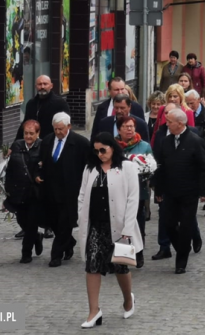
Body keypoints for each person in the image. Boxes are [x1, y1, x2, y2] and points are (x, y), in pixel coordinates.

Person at [78, 132, 142, 328]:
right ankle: (93, 312)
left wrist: (128, 228)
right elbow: (82, 195)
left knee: (120, 267)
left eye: (103, 150)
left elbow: (133, 199)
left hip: (119, 226)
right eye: (96, 151)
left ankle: (128, 299)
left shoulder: (127, 168)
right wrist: (81, 218)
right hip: (96, 225)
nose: (100, 154)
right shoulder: (90, 169)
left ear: (112, 147)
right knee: (92, 265)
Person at [152, 110, 205, 274]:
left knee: (186, 225)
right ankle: (182, 247)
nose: (167, 124)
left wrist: (204, 191)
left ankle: (181, 261)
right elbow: (160, 167)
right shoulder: (166, 141)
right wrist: (158, 189)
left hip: (189, 192)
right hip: (170, 191)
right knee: (169, 224)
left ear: (180, 123)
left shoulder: (194, 141)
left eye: (169, 121)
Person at [38, 112, 91, 268]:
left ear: (69, 126)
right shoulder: (47, 141)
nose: (58, 132)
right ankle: (69, 242)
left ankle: (56, 255)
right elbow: (40, 162)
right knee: (53, 222)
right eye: (55, 129)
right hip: (50, 191)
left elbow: (87, 167)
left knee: (64, 224)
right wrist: (38, 175)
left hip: (70, 191)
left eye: (61, 129)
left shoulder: (80, 143)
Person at [116, 116, 153, 268]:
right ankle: (122, 256)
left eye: (132, 126)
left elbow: (151, 167)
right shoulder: (113, 145)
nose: (130, 129)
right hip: (118, 191)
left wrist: (142, 167)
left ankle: (139, 253)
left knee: (138, 222)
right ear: (119, 129)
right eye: (126, 126)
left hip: (138, 190)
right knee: (119, 224)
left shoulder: (144, 146)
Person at [7, 120, 45, 264]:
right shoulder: (17, 145)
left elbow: (45, 166)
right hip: (18, 191)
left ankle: (26, 253)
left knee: (31, 222)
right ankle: (36, 236)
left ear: (38, 133)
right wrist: (8, 189)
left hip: (34, 192)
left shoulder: (42, 146)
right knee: (21, 219)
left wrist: (38, 175)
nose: (28, 136)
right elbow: (10, 168)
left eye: (31, 133)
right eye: (26, 133)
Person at [16, 75, 70, 140]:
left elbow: (67, 124)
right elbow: (26, 123)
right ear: (35, 86)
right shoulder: (31, 103)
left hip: (52, 141)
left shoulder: (60, 103)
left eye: (45, 84)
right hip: (33, 142)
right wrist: (15, 144)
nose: (42, 87)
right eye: (39, 84)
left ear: (51, 86)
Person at [186, 90, 205, 161]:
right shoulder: (186, 113)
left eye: (192, 103)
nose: (189, 106)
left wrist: (197, 148)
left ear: (199, 100)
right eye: (187, 104)